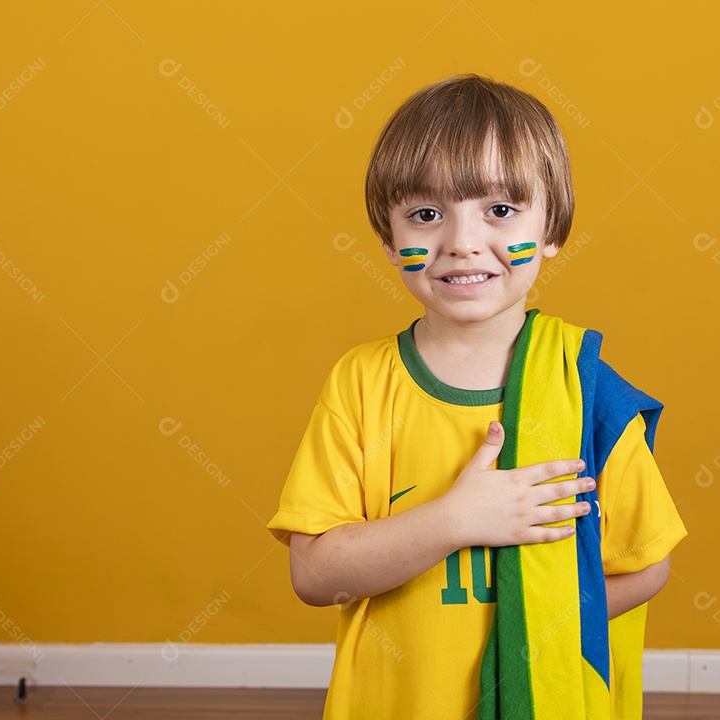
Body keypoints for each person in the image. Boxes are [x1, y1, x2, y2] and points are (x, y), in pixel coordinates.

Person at [267, 73, 687, 719]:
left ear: (554, 227)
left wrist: (530, 628)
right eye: (426, 214)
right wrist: (454, 520)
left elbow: (644, 566)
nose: (461, 242)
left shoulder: (585, 387)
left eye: (500, 209)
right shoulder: (361, 382)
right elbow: (315, 576)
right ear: (387, 237)